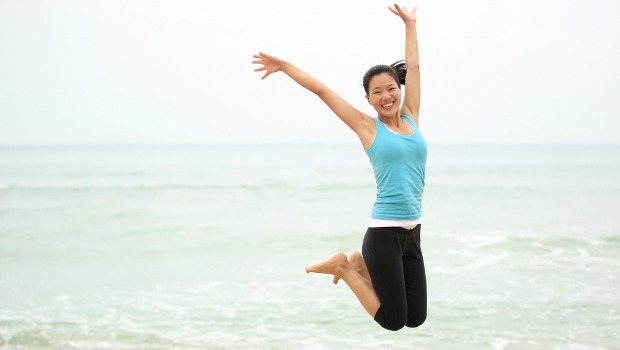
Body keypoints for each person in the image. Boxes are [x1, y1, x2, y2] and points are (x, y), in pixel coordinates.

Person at [252, 3, 426, 331]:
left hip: (413, 233)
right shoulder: (367, 127)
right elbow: (321, 91)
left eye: (391, 88)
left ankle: (359, 266)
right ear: (369, 100)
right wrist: (285, 65)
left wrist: (410, 24)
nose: (387, 96)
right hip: (384, 233)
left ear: (399, 90)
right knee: (394, 321)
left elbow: (414, 66)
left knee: (416, 319)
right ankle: (345, 267)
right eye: (378, 92)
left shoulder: (411, 116)